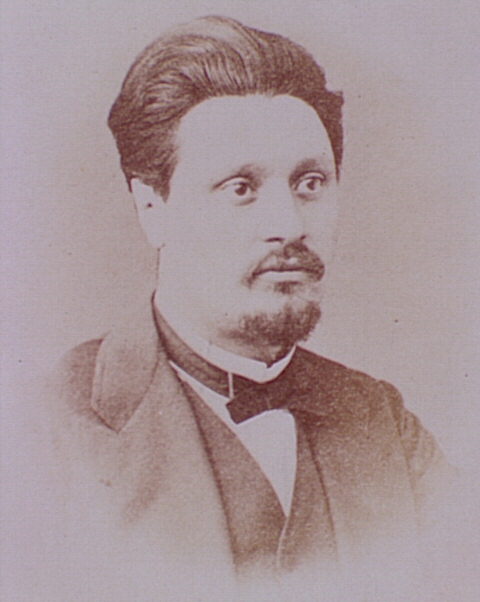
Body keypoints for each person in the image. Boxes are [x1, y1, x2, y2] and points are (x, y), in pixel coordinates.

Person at [50, 15, 452, 585]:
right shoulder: (44, 434)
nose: (289, 224)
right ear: (152, 208)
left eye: (310, 183)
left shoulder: (383, 424)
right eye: (241, 188)